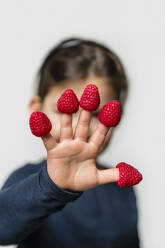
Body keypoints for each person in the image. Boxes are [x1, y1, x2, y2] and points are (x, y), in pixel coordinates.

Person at [0, 37, 140, 247]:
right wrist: (51, 186)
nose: (78, 126)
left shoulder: (122, 187)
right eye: (65, 110)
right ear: (36, 108)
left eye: (97, 115)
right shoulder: (27, 180)